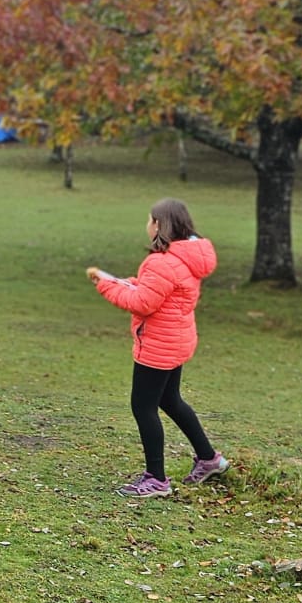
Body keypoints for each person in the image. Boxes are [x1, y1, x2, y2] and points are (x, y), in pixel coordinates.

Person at [86, 197, 227, 498]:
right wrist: (125, 282)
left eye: (150, 220)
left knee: (143, 406)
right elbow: (158, 290)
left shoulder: (162, 261)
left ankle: (156, 479)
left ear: (160, 225)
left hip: (158, 345)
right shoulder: (185, 258)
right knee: (170, 400)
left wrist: (106, 286)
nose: (147, 225)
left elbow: (143, 302)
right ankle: (209, 459)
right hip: (176, 340)